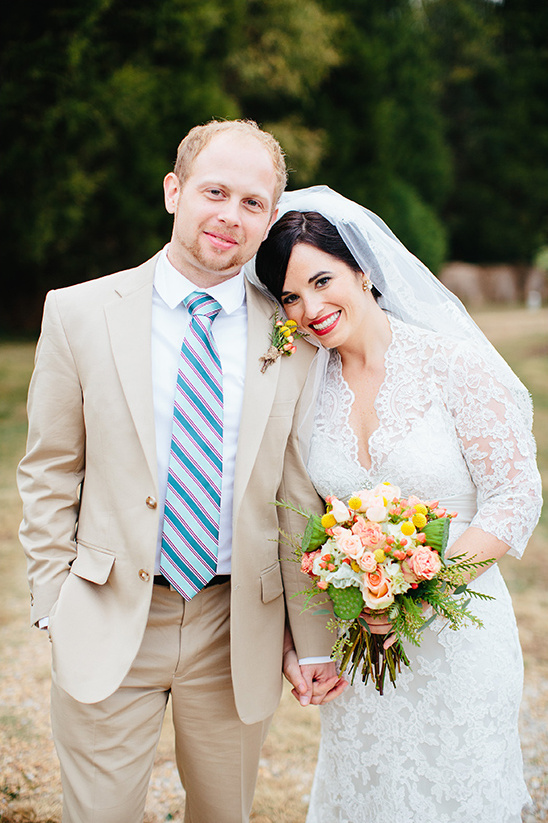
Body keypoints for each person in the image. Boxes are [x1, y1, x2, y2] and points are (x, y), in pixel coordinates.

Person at [17, 123, 345, 823]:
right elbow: (49, 468)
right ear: (174, 191)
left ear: (268, 221)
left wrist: (313, 634)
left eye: (253, 203)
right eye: (215, 191)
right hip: (109, 612)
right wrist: (55, 600)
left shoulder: (292, 339)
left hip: (236, 625)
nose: (230, 214)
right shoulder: (78, 314)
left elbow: (296, 498)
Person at [253, 185, 543, 823]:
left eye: (323, 280)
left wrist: (418, 592)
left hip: (461, 639)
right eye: (292, 298)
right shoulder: (304, 389)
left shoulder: (453, 366)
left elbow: (514, 498)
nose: (312, 308)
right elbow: (297, 517)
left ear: (361, 270)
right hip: (367, 643)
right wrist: (323, 631)